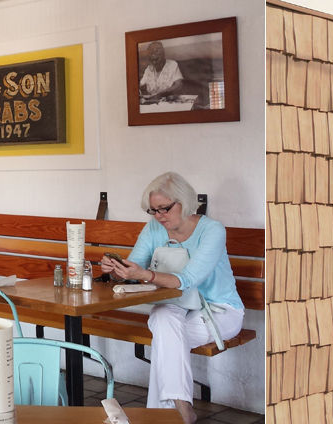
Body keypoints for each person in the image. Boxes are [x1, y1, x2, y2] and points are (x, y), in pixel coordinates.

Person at [101, 172, 244, 424]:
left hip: (219, 310)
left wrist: (144, 274)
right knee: (163, 319)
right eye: (153, 210)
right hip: (176, 305)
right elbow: (135, 267)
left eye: (164, 209)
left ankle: (165, 413)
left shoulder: (212, 230)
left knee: (165, 338)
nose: (159, 216)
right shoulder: (154, 228)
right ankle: (181, 408)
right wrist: (117, 270)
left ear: (184, 202)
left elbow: (187, 279)